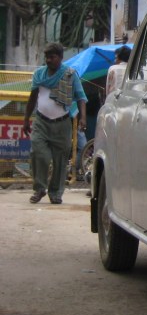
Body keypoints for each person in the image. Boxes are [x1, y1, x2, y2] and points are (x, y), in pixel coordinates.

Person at [22, 42, 88, 204]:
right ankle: (39, 189)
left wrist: (83, 118)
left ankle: (56, 193)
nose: (49, 60)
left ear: (60, 57)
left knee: (60, 160)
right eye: (47, 57)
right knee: (39, 154)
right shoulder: (39, 75)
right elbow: (32, 98)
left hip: (62, 123)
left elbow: (81, 98)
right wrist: (26, 119)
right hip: (41, 122)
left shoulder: (70, 74)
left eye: (52, 57)